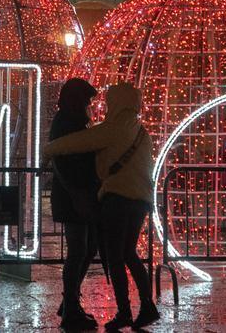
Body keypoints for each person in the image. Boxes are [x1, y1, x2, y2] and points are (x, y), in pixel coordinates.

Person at [45, 82, 159, 330]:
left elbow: (78, 143)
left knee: (113, 256)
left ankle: (124, 312)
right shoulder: (141, 131)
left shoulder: (112, 129)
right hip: (139, 201)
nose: (93, 105)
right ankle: (147, 306)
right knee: (125, 253)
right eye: (87, 101)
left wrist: (49, 149)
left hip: (116, 199)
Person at [48, 78, 100, 330]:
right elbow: (61, 160)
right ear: (76, 100)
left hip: (79, 193)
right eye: (87, 100)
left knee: (88, 247)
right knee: (78, 250)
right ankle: (70, 308)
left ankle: (70, 302)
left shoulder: (74, 121)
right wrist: (77, 192)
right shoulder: (66, 122)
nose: (90, 105)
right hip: (73, 196)